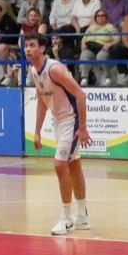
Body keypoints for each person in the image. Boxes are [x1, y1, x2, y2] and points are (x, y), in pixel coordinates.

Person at [24, 34, 91, 236]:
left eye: (32, 45)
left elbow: (80, 94)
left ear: (42, 48)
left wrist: (83, 127)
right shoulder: (33, 70)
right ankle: (82, 217)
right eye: (25, 46)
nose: (27, 49)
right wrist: (37, 131)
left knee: (60, 164)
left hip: (71, 119)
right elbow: (41, 102)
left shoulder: (54, 69)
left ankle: (66, 218)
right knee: (73, 165)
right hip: (58, 121)